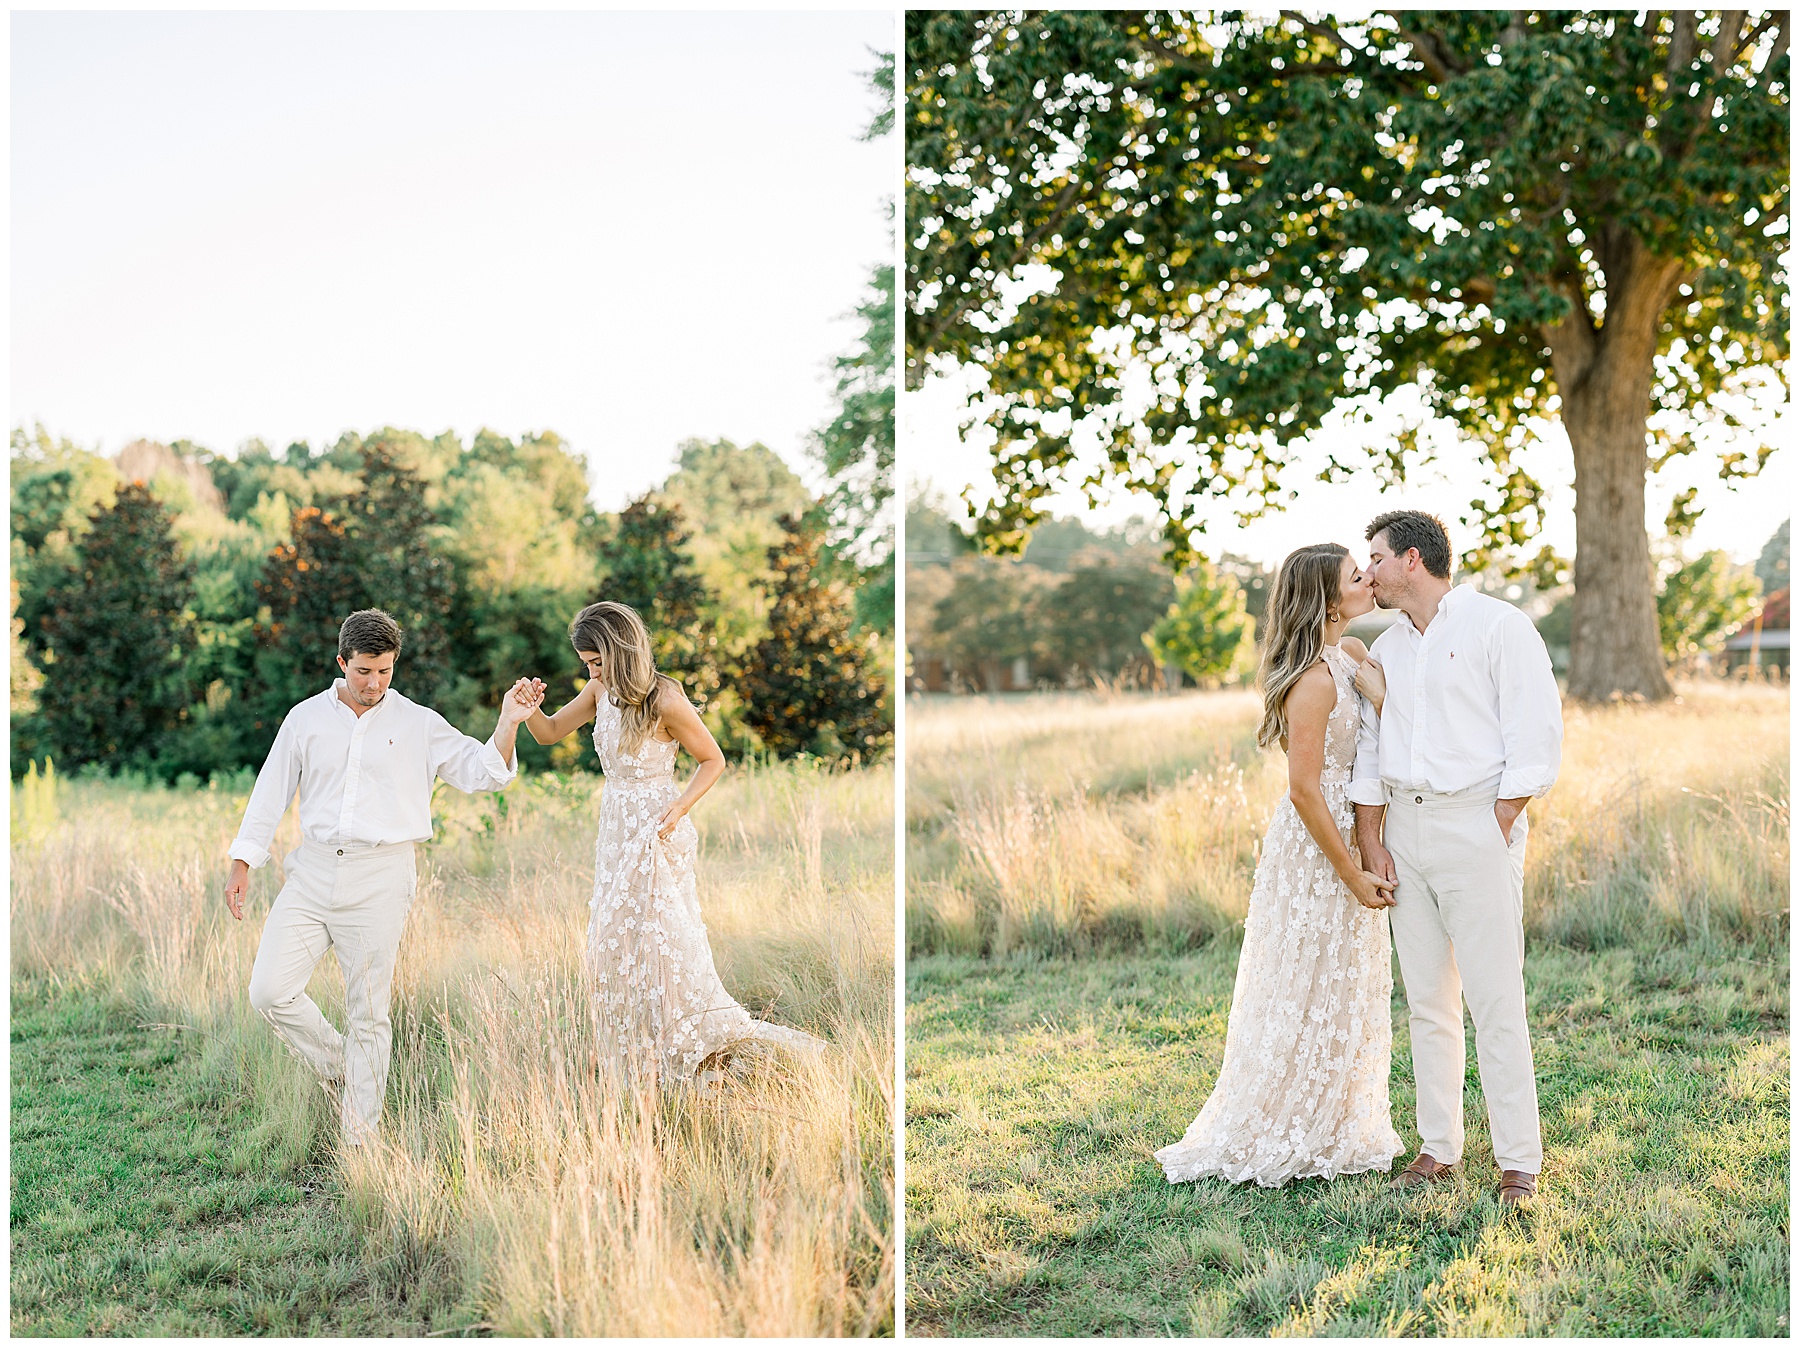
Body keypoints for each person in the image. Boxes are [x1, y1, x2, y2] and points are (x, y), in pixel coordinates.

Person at [224, 608, 543, 1145]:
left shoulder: (418, 722)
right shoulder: (304, 719)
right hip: (313, 871)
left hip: (382, 875)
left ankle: (361, 1138)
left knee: (368, 1013)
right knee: (269, 991)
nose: (374, 684)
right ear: (342, 662)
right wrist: (242, 862)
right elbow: (270, 791)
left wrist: (509, 721)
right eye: (364, 671)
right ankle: (343, 1068)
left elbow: (483, 771)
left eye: (385, 672)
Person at [1156, 544, 1404, 1188]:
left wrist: (1383, 698)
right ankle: (1285, 1124)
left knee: (1345, 979)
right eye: (1356, 576)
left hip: (1354, 835)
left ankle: (1337, 1119)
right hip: (1315, 849)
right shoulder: (1314, 683)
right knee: (1305, 980)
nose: (1368, 579)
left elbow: (1396, 732)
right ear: (1327, 601)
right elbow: (1303, 790)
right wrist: (1350, 869)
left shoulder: (1350, 657)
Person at [1350, 509, 1563, 1208]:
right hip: (1404, 835)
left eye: (1375, 557)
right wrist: (1374, 838)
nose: (1368, 571)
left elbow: (1535, 737)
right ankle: (1438, 1148)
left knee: (1497, 1001)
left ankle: (1518, 1163)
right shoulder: (1387, 648)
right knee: (1427, 1003)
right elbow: (1375, 746)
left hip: (1475, 824)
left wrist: (1495, 823)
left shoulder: (1500, 627)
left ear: (1412, 559)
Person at [522, 600, 826, 1083]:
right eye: (587, 665)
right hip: (616, 828)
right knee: (613, 940)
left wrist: (681, 806)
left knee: (663, 941)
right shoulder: (599, 690)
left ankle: (683, 1041)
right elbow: (551, 733)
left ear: (621, 650)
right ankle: (632, 1048)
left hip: (657, 827)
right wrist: (528, 711)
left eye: (598, 662)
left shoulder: (664, 698)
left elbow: (713, 759)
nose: (593, 671)